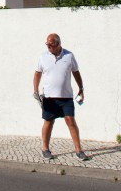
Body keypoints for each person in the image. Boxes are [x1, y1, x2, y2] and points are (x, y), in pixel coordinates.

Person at [33, 32, 88, 160]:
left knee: (70, 121)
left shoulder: (69, 56)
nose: (49, 47)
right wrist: (35, 90)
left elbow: (76, 72)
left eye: (51, 45)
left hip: (66, 96)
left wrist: (81, 88)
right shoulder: (43, 57)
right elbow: (37, 74)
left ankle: (78, 150)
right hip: (49, 97)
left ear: (58, 44)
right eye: (47, 44)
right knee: (48, 121)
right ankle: (45, 148)